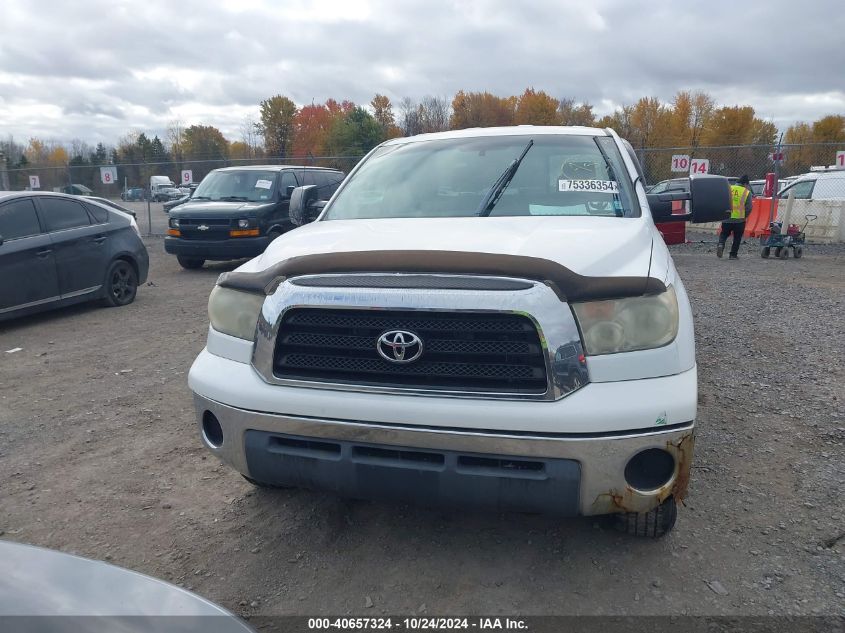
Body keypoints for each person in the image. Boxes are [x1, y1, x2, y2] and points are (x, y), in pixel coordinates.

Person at [717, 175, 753, 259]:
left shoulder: (728, 189)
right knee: (737, 237)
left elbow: (722, 201)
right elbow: (749, 207)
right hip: (739, 220)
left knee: (724, 234)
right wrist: (745, 216)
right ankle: (733, 255)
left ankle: (721, 244)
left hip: (727, 217)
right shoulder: (746, 192)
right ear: (745, 184)